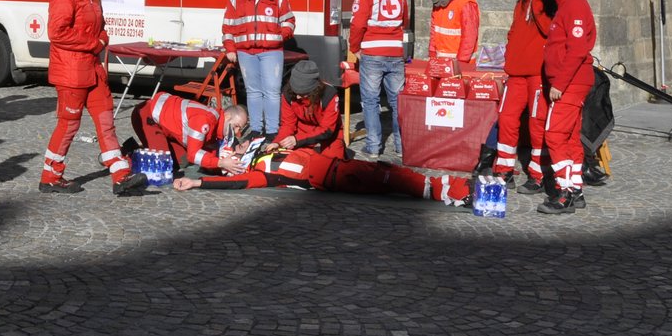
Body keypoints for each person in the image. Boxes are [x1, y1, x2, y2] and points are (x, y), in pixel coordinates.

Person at [38, 0, 147, 196]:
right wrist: (94, 42)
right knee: (68, 125)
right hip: (72, 72)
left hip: (93, 70)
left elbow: (102, 28)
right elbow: (57, 33)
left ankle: (120, 175)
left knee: (106, 122)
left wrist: (101, 39)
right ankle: (50, 176)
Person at [172, 146, 469, 205]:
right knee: (391, 180)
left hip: (340, 167)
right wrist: (197, 181)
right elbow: (234, 183)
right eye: (227, 162)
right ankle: (452, 193)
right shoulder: (261, 173)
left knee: (389, 172)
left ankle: (451, 187)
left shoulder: (266, 149)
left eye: (231, 157)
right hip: (337, 178)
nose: (232, 161)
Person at [538, 0, 597, 215]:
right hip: (573, 80)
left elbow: (575, 50)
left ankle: (565, 192)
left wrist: (559, 84)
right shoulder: (570, 5)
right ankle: (576, 187)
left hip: (570, 82)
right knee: (571, 137)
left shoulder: (573, 6)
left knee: (554, 134)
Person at [493, 0, 554, 192]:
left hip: (537, 74)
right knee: (507, 118)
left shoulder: (545, 4)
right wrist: (509, 52)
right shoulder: (520, 4)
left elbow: (548, 29)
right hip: (516, 72)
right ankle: (505, 170)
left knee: (537, 123)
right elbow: (514, 31)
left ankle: (538, 174)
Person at [221, 0, 295, 138]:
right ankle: (255, 128)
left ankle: (272, 130)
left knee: (271, 91)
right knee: (253, 92)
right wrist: (230, 48)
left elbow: (289, 22)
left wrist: (280, 37)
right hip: (246, 53)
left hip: (272, 52)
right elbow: (228, 26)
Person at [348, 0, 408, 158]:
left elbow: (357, 23)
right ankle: (402, 147)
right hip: (396, 51)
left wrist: (354, 47)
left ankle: (373, 147)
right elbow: (404, 19)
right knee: (398, 101)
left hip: (373, 52)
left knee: (371, 100)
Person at [130, 95, 249, 175]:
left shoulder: (217, 125)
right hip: (147, 116)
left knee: (182, 161)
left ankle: (144, 148)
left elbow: (209, 154)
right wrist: (221, 163)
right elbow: (194, 154)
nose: (237, 131)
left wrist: (235, 155)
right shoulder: (205, 121)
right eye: (236, 126)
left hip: (166, 126)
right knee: (162, 168)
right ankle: (128, 158)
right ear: (227, 117)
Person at [274, 59, 345, 159]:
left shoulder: (329, 95)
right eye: (295, 92)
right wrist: (278, 142)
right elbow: (287, 124)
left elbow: (327, 129)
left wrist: (297, 140)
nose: (298, 97)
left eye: (303, 94)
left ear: (313, 90)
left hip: (330, 133)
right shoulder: (288, 93)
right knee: (293, 161)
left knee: (331, 165)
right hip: (302, 129)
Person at [430, 0, 480, 66]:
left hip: (460, 62)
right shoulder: (439, 1)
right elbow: (434, 30)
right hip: (440, 61)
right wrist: (432, 54)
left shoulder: (465, 2)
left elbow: (469, 36)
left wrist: (461, 61)